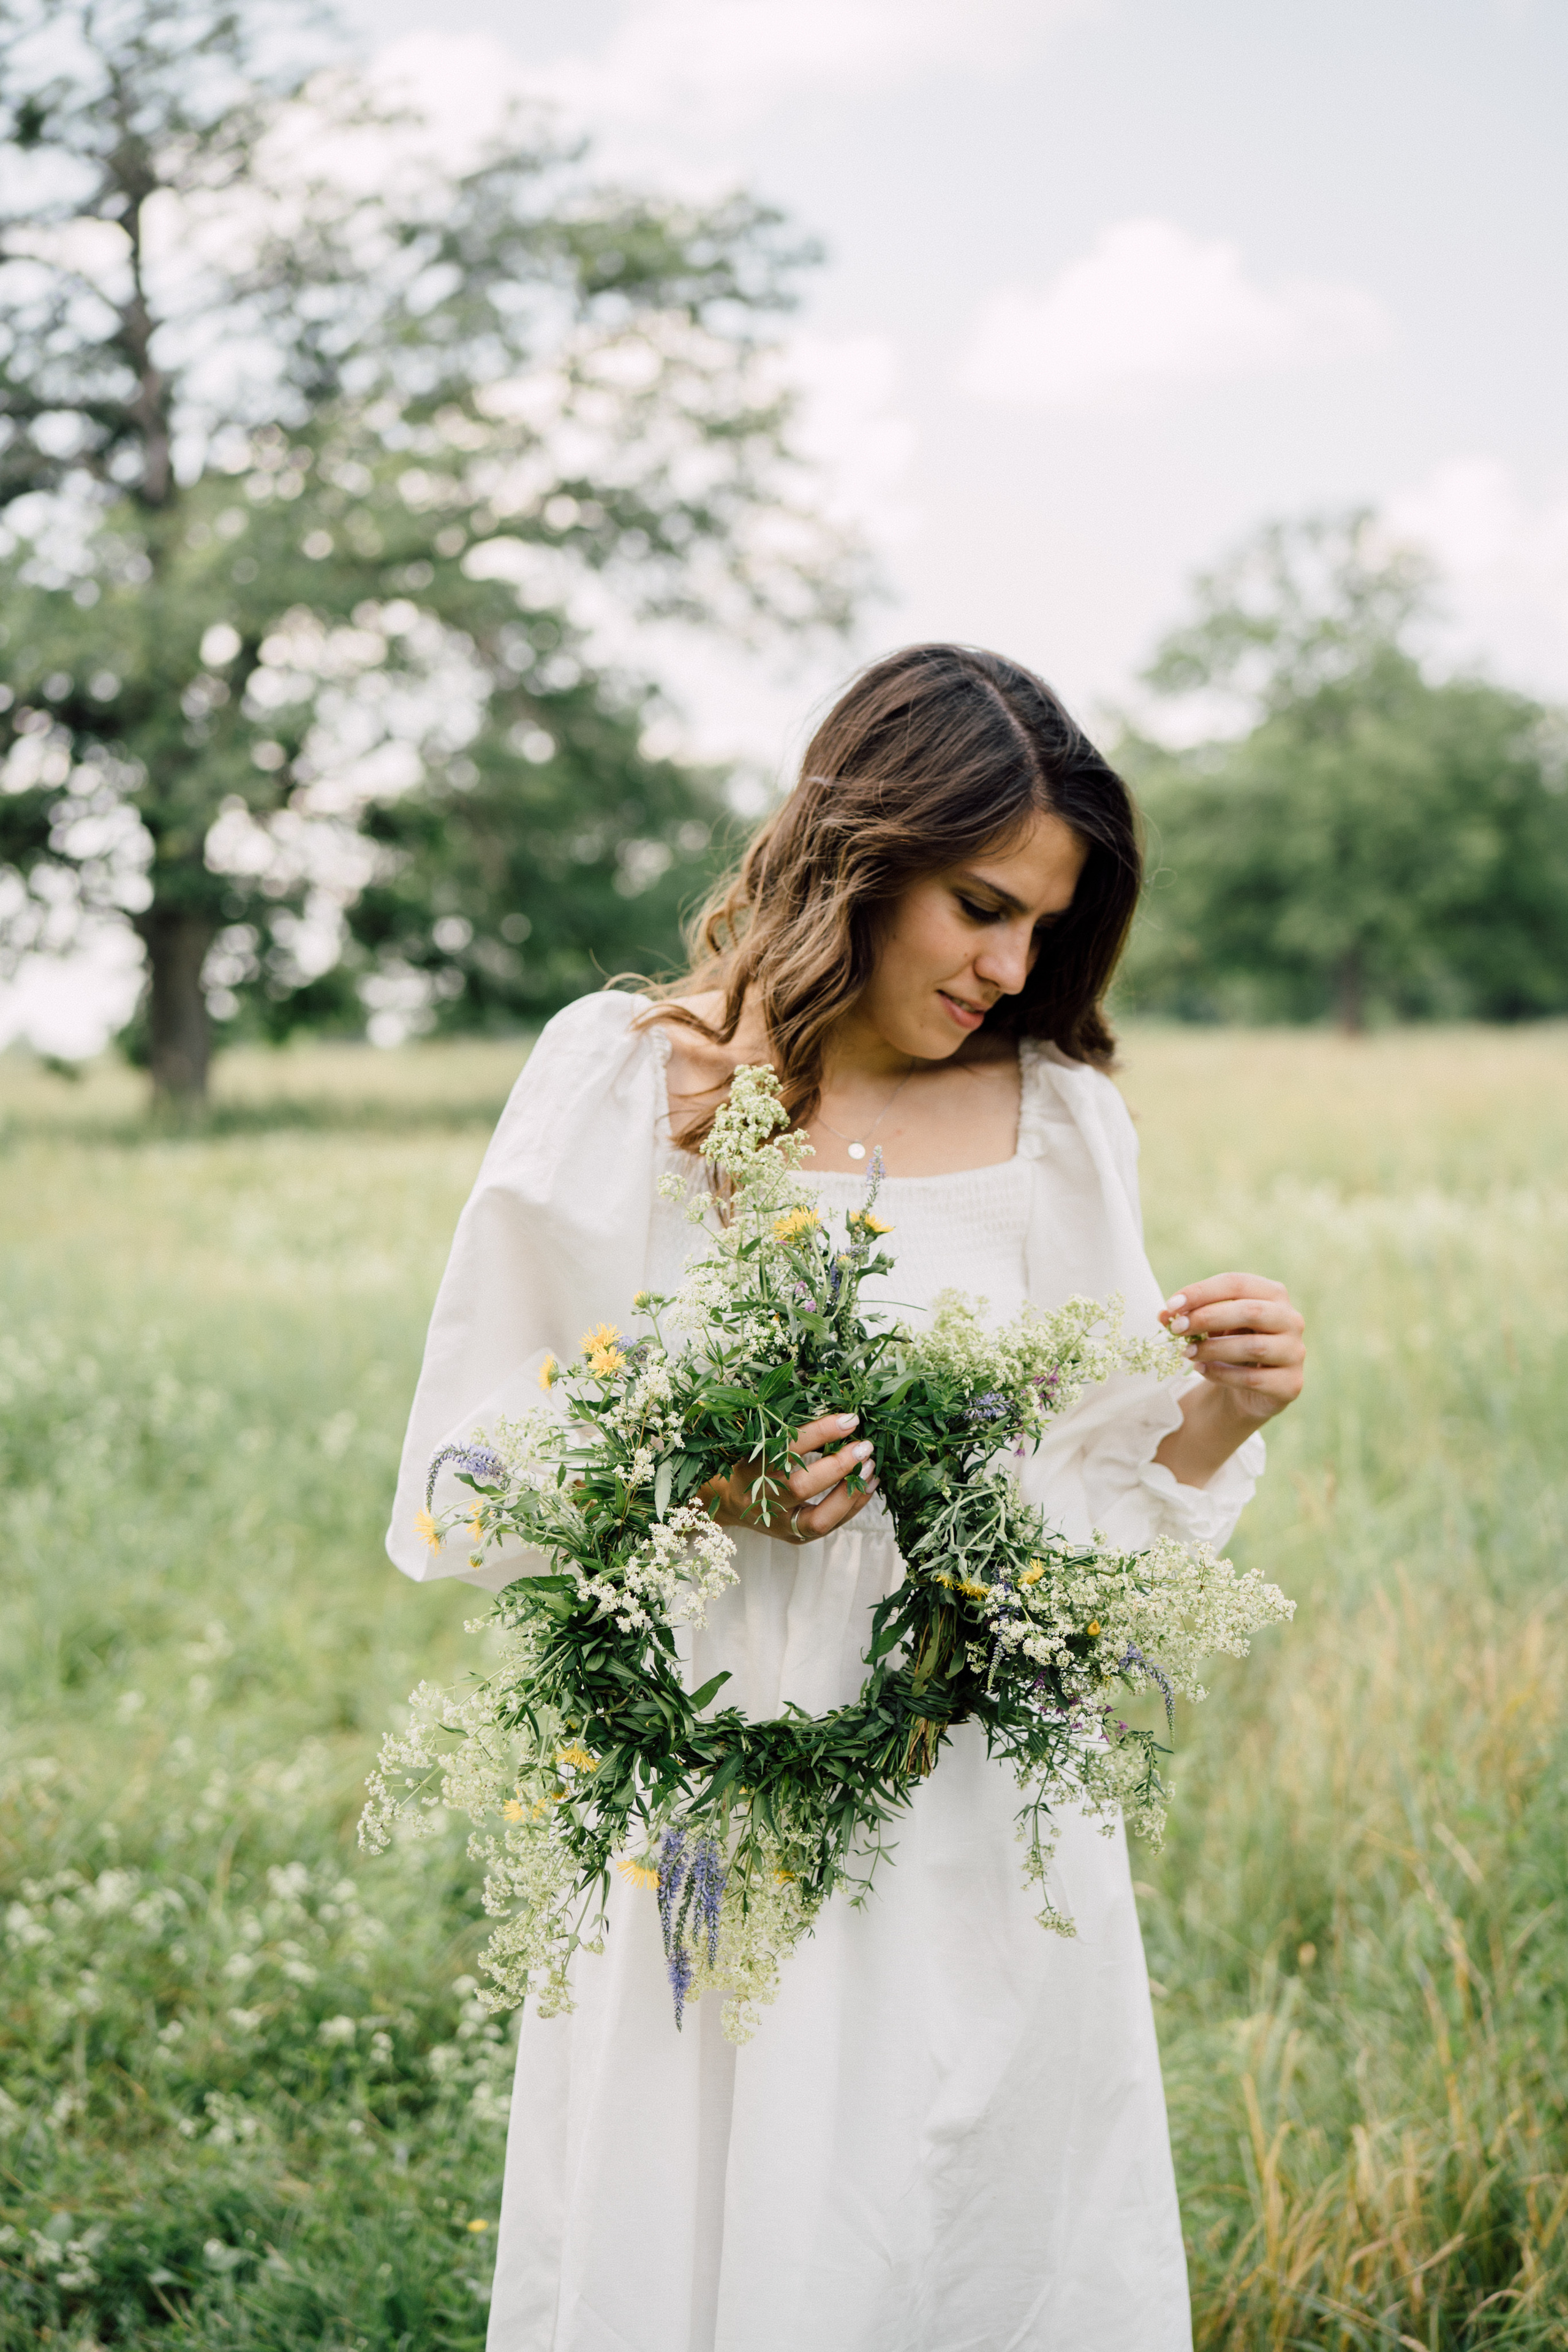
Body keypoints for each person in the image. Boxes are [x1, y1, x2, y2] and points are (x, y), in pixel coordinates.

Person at [387, 644, 1306, 2352]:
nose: (1010, 963)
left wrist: (1214, 1415)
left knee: (953, 2216)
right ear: (859, 852)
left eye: (1045, 925)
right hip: (704, 1778)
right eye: (979, 906)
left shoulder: (1058, 1122)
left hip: (965, 1793)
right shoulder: (623, 1076)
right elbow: (467, 1461)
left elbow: (1093, 1525)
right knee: (698, 2212)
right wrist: (697, 1481)